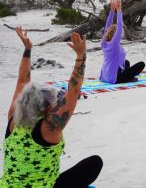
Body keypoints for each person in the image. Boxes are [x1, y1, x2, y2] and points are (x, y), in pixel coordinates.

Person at [1, 28, 103, 188]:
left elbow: (22, 82)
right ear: (46, 109)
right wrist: (81, 56)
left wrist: (27, 49)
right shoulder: (49, 129)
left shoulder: (13, 119)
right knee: (94, 163)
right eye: (54, 102)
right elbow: (73, 91)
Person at [100, 0, 145, 84]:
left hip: (105, 76)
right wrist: (119, 10)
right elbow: (119, 26)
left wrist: (112, 11)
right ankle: (129, 78)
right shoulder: (114, 44)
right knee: (141, 64)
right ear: (115, 35)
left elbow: (107, 26)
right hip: (115, 79)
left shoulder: (104, 42)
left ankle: (128, 76)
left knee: (126, 62)